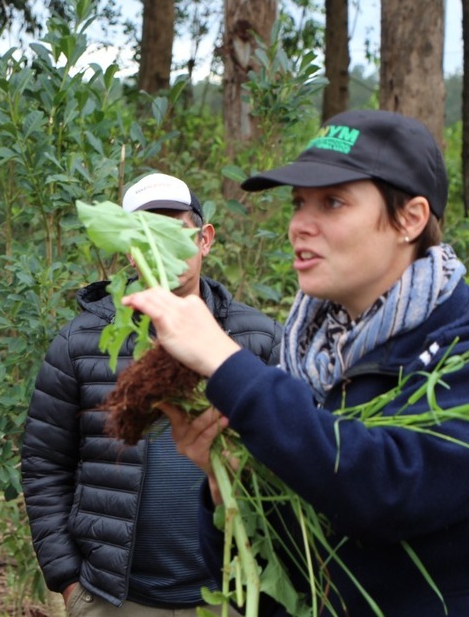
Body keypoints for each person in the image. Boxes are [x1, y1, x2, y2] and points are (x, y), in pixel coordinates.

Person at [125, 110, 469, 615]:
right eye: (297, 203)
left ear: (411, 218)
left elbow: (387, 489)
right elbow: (278, 569)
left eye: (332, 202)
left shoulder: (463, 346)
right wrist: (229, 488)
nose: (298, 226)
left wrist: (227, 361)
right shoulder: (307, 352)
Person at [22, 173, 283, 616]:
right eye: (146, 236)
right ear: (128, 250)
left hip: (230, 596)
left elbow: (289, 458)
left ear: (205, 239)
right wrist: (69, 583)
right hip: (116, 598)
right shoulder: (80, 342)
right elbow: (45, 464)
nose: (161, 249)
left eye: (174, 233)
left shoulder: (256, 339)